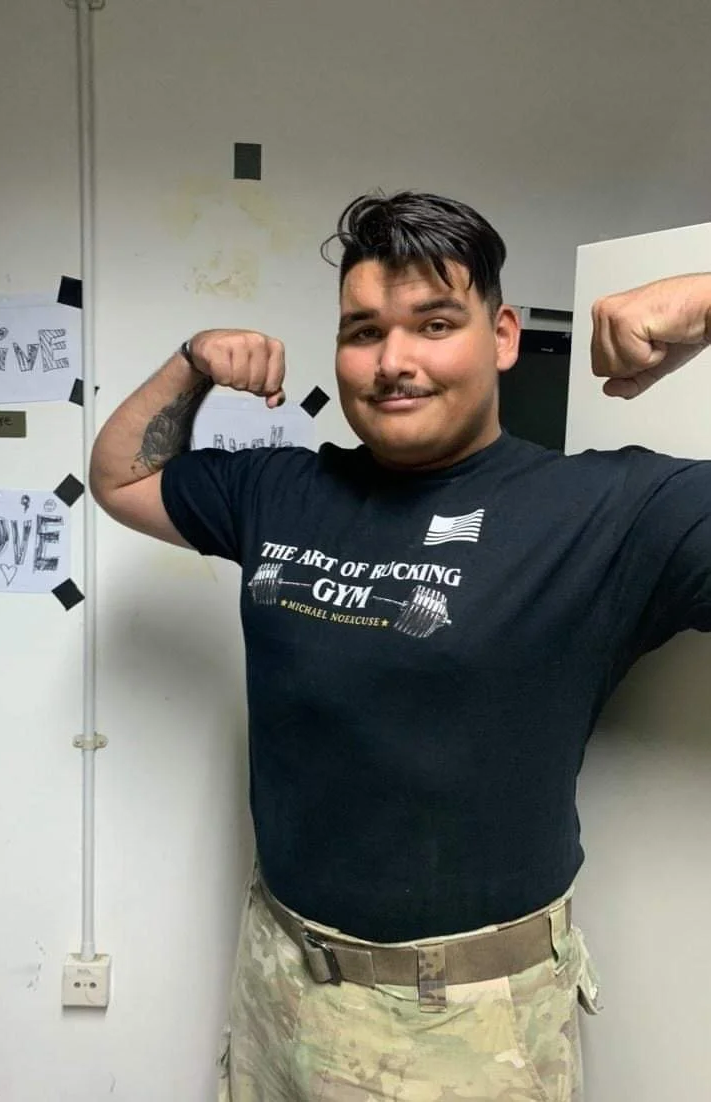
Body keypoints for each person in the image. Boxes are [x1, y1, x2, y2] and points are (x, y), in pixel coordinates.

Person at [89, 191, 711, 1101]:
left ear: (501, 337)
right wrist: (191, 366)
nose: (393, 363)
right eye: (363, 331)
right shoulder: (283, 488)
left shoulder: (604, 513)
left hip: (464, 1022)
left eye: (433, 324)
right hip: (278, 975)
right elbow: (122, 475)